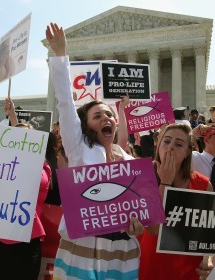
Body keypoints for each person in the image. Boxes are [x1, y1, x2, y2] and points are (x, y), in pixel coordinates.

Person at [46, 22, 143, 279]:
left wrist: (137, 225)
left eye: (109, 114)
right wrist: (60, 56)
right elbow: (66, 104)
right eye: (97, 115)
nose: (105, 118)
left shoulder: (129, 161)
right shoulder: (79, 150)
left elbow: (139, 212)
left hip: (122, 251)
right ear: (85, 125)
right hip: (83, 248)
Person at [0, 105, 51, 280]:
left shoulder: (42, 169)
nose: (21, 140)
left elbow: (24, 175)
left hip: (24, 243)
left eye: (27, 138)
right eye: (16, 137)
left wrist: (12, 127)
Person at [139, 123, 213, 280]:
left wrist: (209, 262)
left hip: (188, 267)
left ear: (187, 152)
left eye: (179, 144)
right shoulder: (142, 177)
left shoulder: (203, 184)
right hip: (152, 264)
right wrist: (165, 182)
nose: (170, 147)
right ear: (158, 146)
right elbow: (154, 229)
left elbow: (209, 235)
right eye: (166, 142)